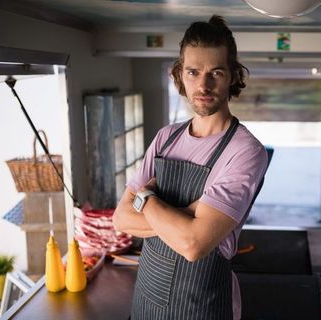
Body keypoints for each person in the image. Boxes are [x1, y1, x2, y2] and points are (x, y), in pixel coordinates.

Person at [113, 15, 268, 320]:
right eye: (193, 72)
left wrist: (145, 199)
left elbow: (193, 243)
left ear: (233, 76)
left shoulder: (245, 151)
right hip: (145, 304)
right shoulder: (166, 138)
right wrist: (188, 212)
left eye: (216, 72)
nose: (204, 84)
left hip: (202, 307)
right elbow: (120, 219)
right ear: (180, 75)